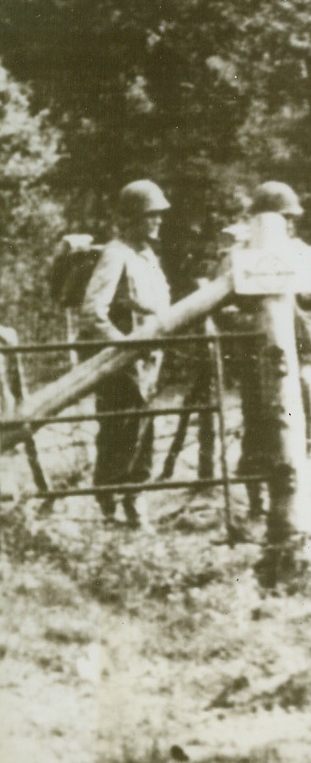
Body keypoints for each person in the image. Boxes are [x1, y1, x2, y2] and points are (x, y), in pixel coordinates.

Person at [81, 179, 173, 528]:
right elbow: (93, 311)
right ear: (133, 218)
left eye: (158, 215)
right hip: (122, 362)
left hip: (150, 359)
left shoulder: (148, 257)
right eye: (150, 215)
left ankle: (135, 502)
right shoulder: (115, 254)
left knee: (143, 432)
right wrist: (123, 347)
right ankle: (109, 506)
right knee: (118, 431)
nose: (157, 221)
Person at [233, 181, 311, 517]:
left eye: (290, 218)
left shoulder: (303, 253)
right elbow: (225, 307)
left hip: (298, 354)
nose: (288, 224)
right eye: (281, 217)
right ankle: (258, 501)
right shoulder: (240, 255)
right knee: (258, 427)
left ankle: (296, 496)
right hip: (256, 355)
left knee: (306, 416)